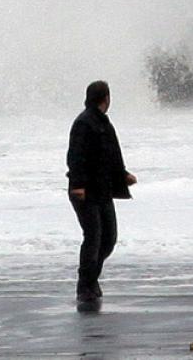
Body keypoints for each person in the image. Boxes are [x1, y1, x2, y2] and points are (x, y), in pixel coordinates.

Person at [66, 80, 137, 311]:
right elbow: (75, 157)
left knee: (109, 238)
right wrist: (77, 185)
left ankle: (91, 278)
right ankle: (85, 285)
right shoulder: (83, 123)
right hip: (85, 192)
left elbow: (112, 154)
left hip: (103, 189)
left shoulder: (104, 123)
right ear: (104, 97)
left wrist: (123, 174)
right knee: (93, 236)